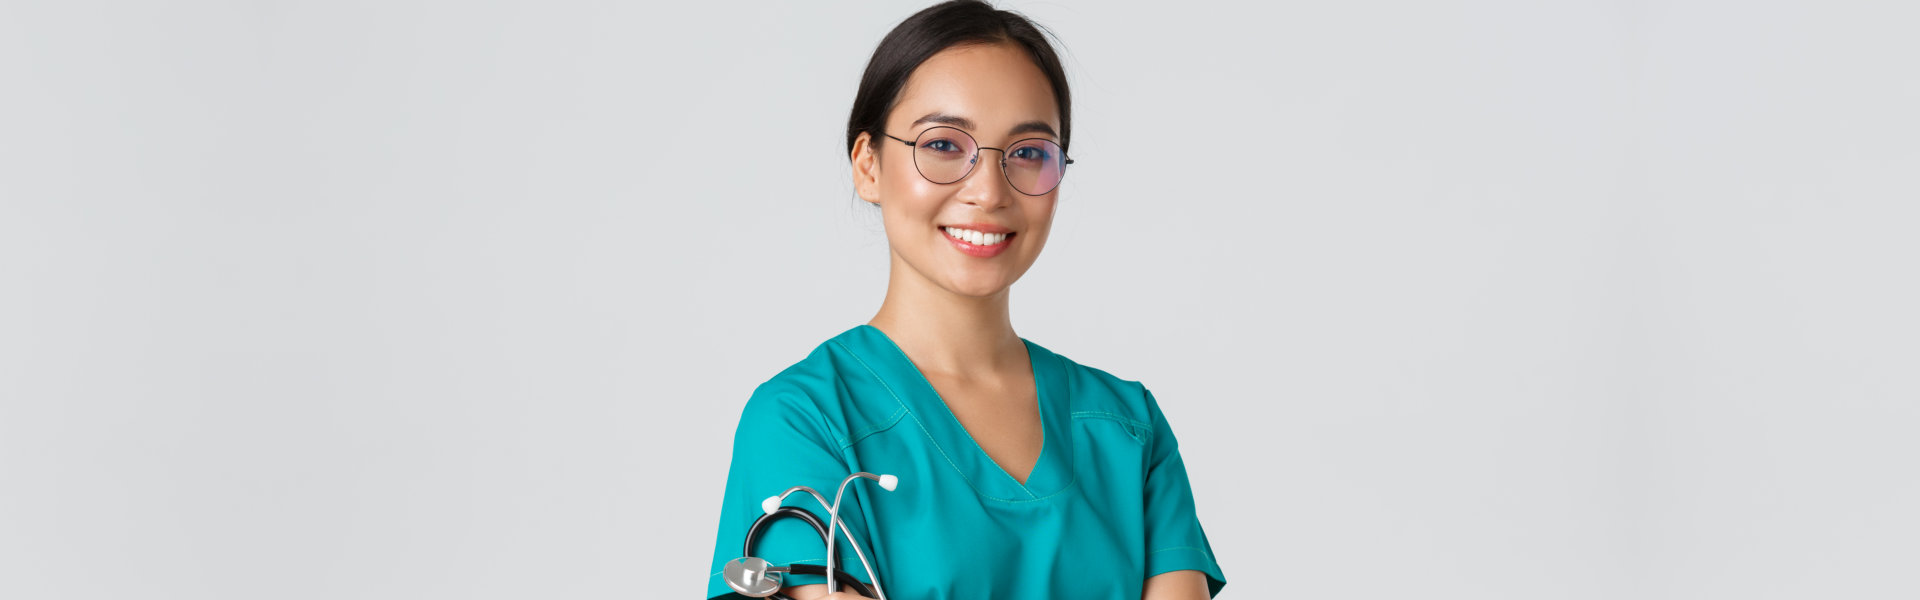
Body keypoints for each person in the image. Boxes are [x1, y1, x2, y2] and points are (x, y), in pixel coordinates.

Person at [705, 2, 1226, 598]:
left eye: (1029, 152)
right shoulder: (805, 421)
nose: (988, 192)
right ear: (868, 164)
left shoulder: (1129, 431)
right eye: (945, 145)